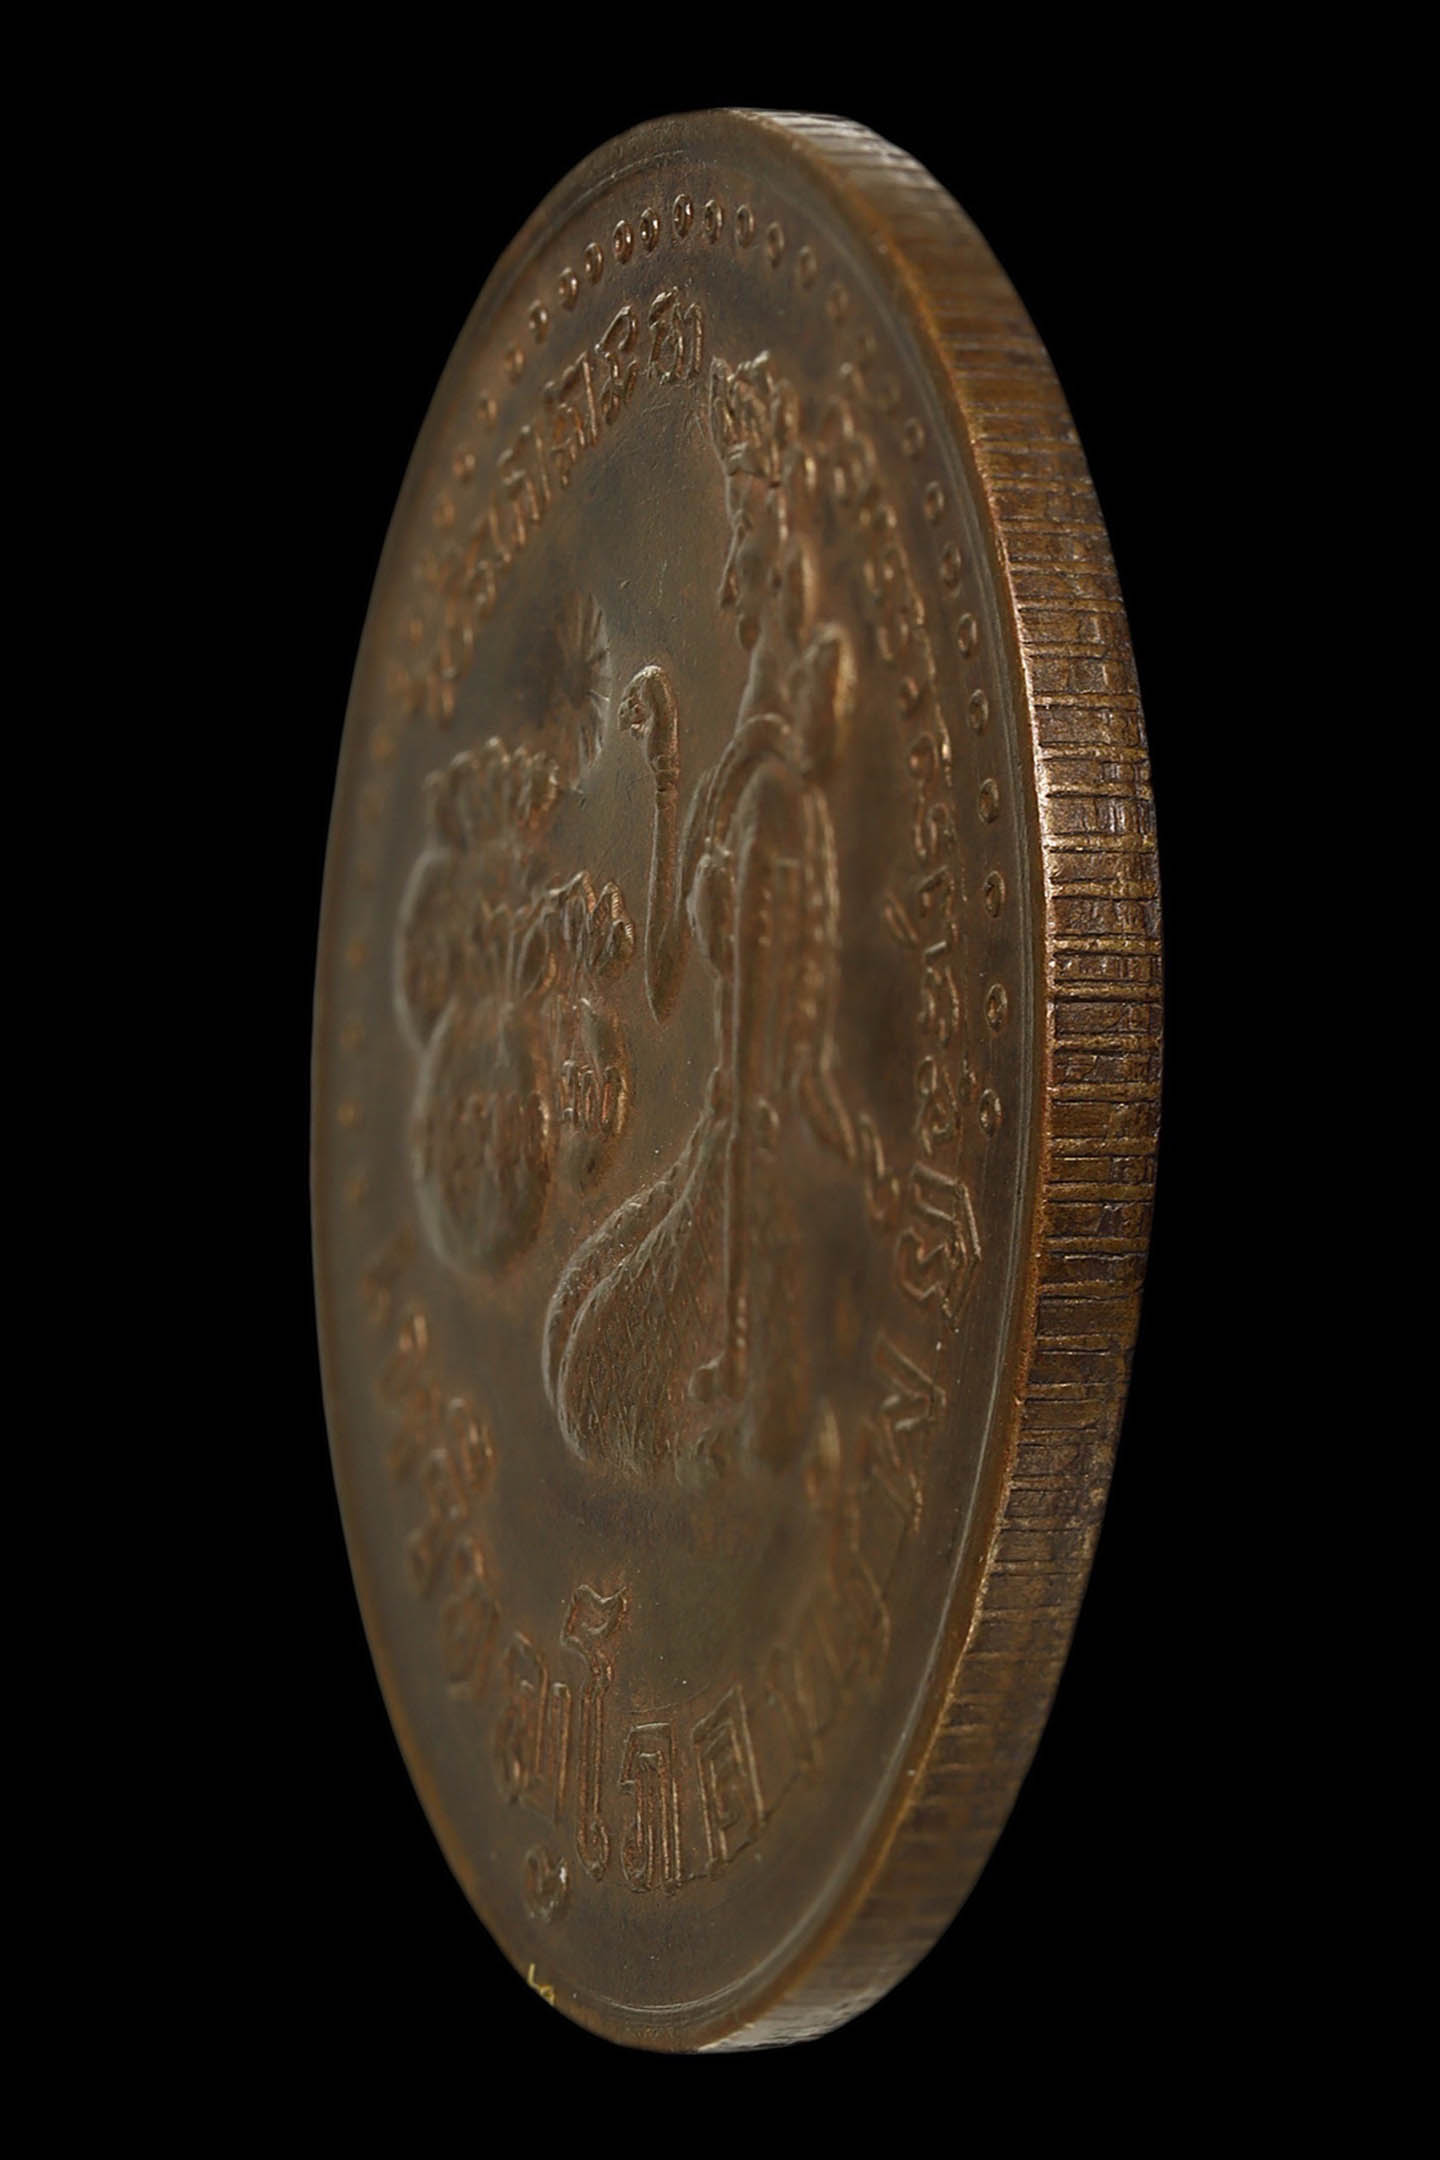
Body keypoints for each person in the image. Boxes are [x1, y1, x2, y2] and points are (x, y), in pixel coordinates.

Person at [542, 355, 858, 1484]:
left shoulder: (777, 802)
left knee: (596, 1391)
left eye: (744, 549)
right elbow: (671, 979)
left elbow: (770, 1092)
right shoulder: (735, 777)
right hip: (722, 1150)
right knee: (569, 1330)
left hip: (746, 1183)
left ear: (778, 572)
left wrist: (736, 1338)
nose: (724, 583)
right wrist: (666, 777)